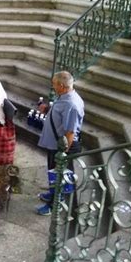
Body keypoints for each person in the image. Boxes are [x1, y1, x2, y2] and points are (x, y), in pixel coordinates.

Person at [37, 71, 84, 216]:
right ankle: (53, 195)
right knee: (53, 172)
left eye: (54, 84)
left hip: (61, 148)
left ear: (62, 86)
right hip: (54, 145)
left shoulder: (72, 104)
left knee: (58, 175)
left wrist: (62, 155)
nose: (53, 87)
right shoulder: (64, 97)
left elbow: (70, 133)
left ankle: (54, 204)